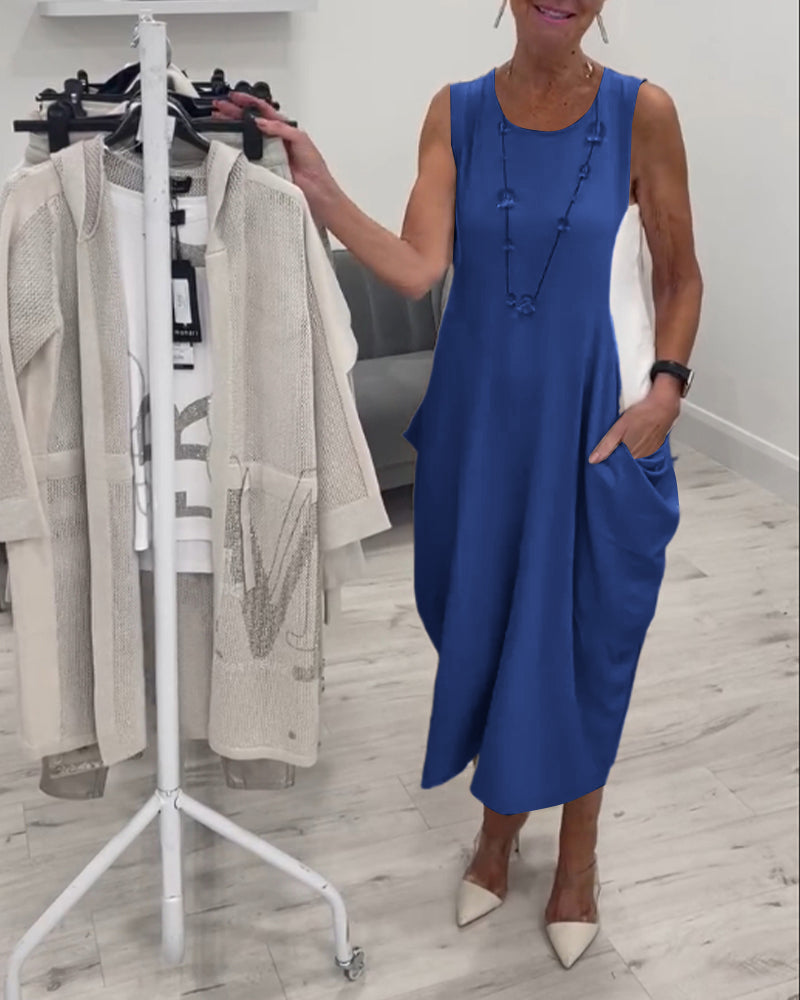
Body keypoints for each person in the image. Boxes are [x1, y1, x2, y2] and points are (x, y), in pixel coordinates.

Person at [213, 0, 703, 970]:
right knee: (485, 630)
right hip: (479, 433)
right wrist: (318, 185)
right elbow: (414, 267)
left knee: (583, 642)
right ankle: (496, 824)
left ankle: (576, 856)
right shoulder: (457, 111)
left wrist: (665, 391)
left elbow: (679, 276)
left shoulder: (642, 112)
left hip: (591, 429)